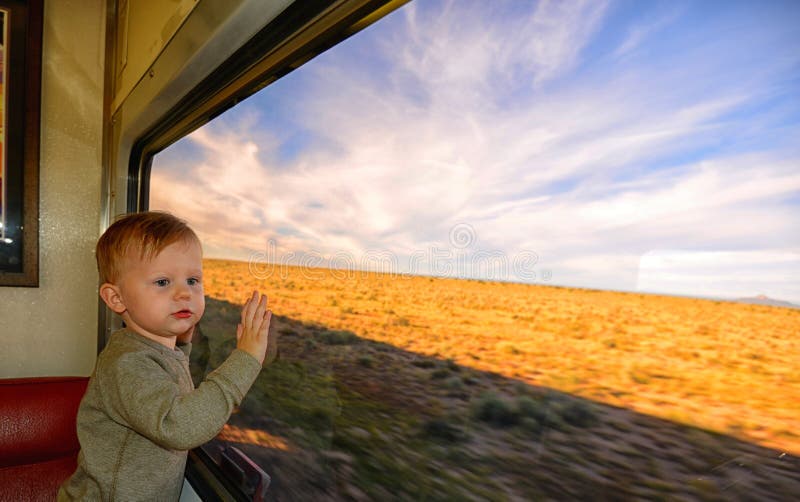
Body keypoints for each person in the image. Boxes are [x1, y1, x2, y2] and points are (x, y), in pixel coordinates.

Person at [59, 211, 272, 501]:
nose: (184, 293)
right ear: (116, 298)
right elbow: (178, 424)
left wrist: (182, 342)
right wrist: (246, 358)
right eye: (162, 282)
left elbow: (166, 377)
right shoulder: (126, 363)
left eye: (193, 280)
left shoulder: (152, 348)